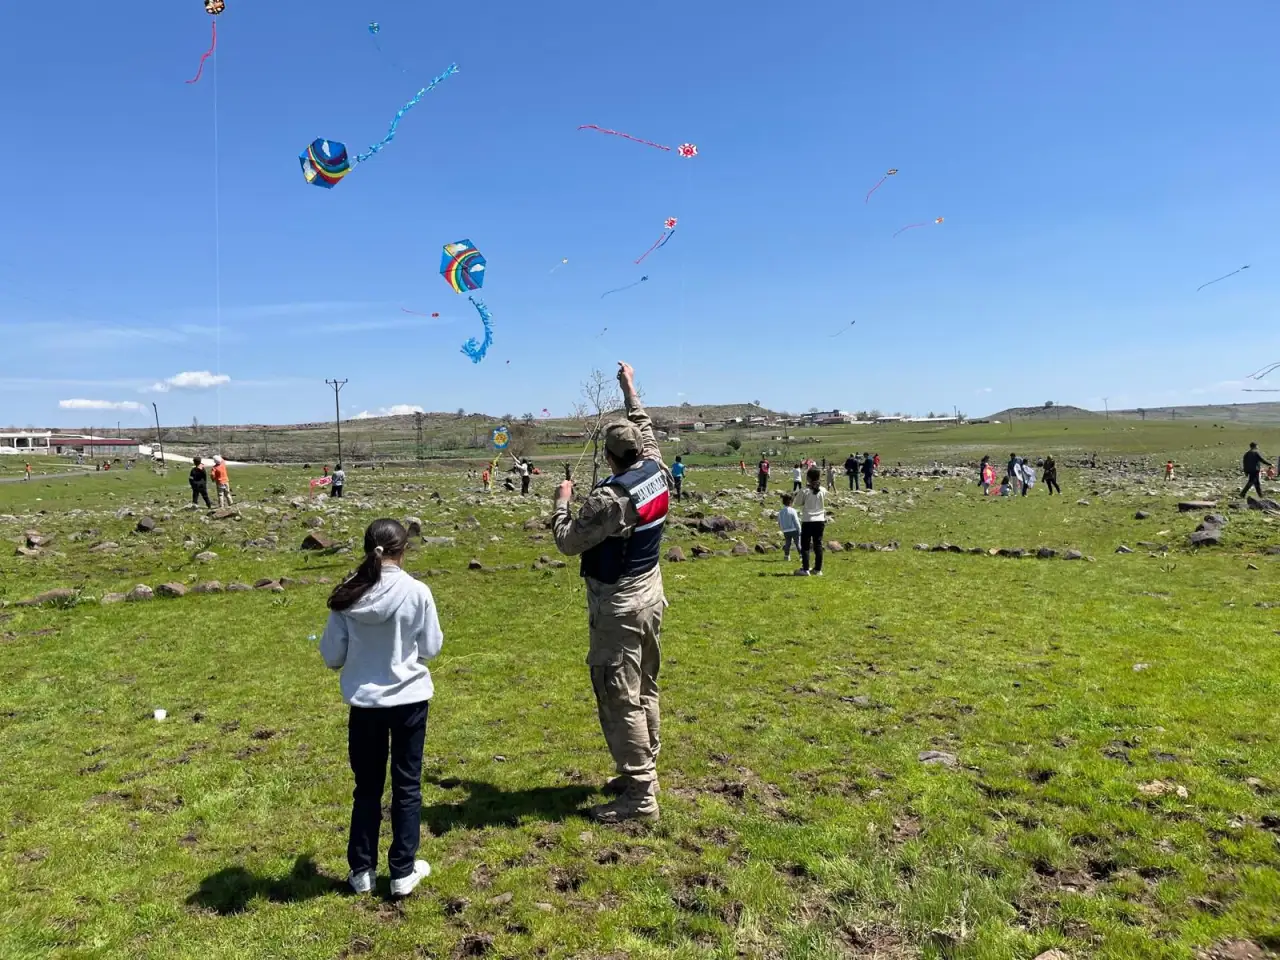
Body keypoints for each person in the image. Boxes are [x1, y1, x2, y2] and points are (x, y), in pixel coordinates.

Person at [551, 361, 669, 824]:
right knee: (645, 688)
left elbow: (567, 542)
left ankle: (640, 796)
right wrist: (630, 387)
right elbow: (644, 424)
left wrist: (561, 501)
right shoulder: (656, 467)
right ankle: (646, 773)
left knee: (619, 693)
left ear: (609, 457)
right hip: (651, 593)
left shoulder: (609, 500)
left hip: (617, 605)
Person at [320, 519, 443, 898]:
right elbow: (432, 647)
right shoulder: (417, 591)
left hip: (366, 704)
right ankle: (403, 871)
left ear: (367, 549)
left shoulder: (349, 596)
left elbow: (331, 656)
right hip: (409, 700)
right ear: (403, 550)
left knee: (367, 787)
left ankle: (362, 870)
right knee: (407, 786)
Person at [792, 466, 827, 576]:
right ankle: (817, 569)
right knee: (818, 544)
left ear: (808, 478)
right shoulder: (823, 490)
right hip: (820, 520)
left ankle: (805, 568)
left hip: (808, 520)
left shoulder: (805, 491)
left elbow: (797, 503)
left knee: (805, 545)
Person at [778, 493, 801, 561]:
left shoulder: (781, 511)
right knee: (797, 543)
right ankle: (801, 555)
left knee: (787, 543)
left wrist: (782, 528)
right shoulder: (793, 510)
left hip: (786, 530)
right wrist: (799, 529)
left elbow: (779, 521)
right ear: (791, 502)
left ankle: (786, 556)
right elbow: (796, 521)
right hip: (794, 529)